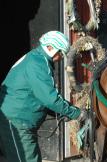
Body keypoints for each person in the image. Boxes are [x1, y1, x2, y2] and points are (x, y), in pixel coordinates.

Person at [0, 31, 88, 162]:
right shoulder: (38, 64)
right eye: (60, 54)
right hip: (16, 122)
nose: (60, 58)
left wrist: (64, 111)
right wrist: (76, 113)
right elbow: (50, 99)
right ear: (51, 48)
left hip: (19, 120)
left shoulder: (36, 58)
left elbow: (42, 96)